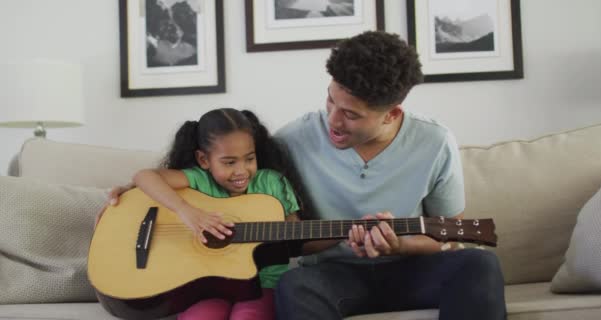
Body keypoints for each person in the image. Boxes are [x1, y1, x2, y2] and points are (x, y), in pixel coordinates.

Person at [271, 31, 507, 319]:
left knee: (479, 263)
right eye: (330, 100)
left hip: (411, 270)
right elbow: (288, 239)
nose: (333, 119)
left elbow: (450, 233)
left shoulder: (435, 142)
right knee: (294, 285)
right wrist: (343, 235)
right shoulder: (290, 141)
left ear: (391, 114)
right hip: (333, 276)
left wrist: (400, 244)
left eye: (351, 114)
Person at [101, 108, 302, 320]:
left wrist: (337, 237)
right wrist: (186, 212)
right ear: (204, 160)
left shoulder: (272, 183)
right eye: (229, 162)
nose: (242, 170)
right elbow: (144, 176)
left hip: (263, 284)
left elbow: (296, 238)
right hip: (204, 285)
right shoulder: (199, 181)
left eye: (249, 159)